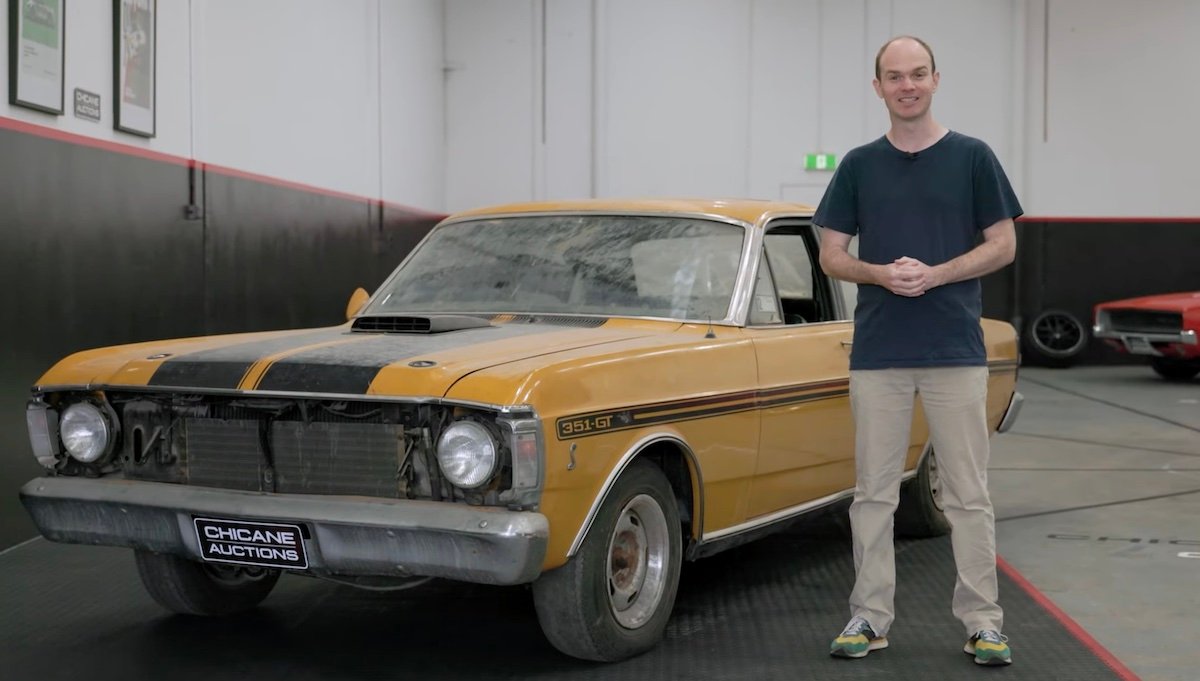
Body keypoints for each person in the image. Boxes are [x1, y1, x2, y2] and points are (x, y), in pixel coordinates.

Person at [813, 35, 1021, 666]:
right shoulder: (857, 165)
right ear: (878, 88)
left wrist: (938, 273)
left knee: (967, 494)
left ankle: (984, 622)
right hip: (879, 354)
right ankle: (869, 618)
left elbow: (1004, 243)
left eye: (918, 74)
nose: (907, 85)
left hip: (955, 350)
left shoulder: (973, 158)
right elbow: (831, 254)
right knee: (873, 493)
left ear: (935, 80)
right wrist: (881, 274)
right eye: (894, 77)